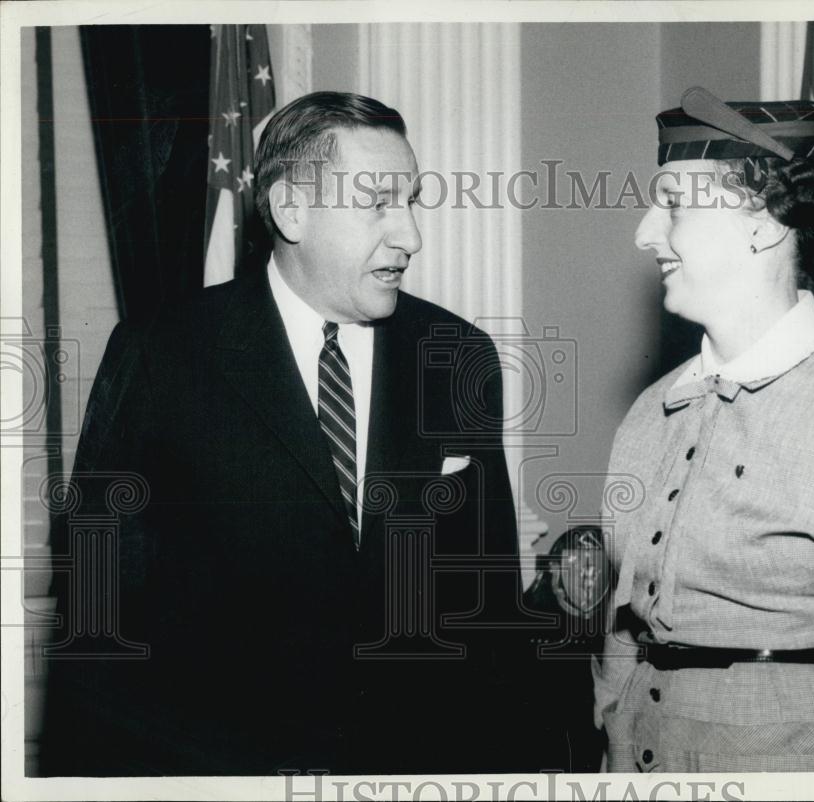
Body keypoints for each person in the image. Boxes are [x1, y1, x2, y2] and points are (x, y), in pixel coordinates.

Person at [39, 91, 534, 776]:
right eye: (379, 203)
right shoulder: (162, 355)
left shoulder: (456, 354)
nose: (411, 235)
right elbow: (96, 623)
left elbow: (491, 614)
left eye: (413, 201)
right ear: (290, 209)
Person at [592, 87, 814, 772]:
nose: (644, 232)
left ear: (759, 223)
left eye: (671, 204)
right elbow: (624, 632)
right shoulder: (648, 414)